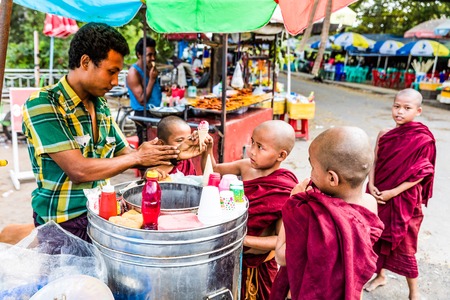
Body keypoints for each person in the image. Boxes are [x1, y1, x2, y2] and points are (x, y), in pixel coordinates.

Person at [22, 23, 201, 242]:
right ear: (85, 62)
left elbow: (124, 154)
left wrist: (173, 153)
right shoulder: (43, 104)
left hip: (101, 214)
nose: (115, 82)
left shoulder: (101, 105)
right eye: (111, 72)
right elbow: (79, 170)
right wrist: (139, 156)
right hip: (61, 224)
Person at [271, 126, 384, 300]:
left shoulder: (309, 211)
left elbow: (281, 256)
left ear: (332, 178)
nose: (311, 174)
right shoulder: (370, 204)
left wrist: (293, 202)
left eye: (313, 168)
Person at [201, 120, 299, 300]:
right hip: (230, 255)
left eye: (260, 147)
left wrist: (242, 238)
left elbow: (281, 240)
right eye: (252, 142)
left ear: (281, 155)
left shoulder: (284, 189)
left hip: (258, 267)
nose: (251, 150)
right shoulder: (245, 166)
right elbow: (212, 173)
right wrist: (207, 149)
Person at [365, 89, 436, 300]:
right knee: (377, 236)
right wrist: (371, 183)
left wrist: (393, 193)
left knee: (405, 244)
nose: (400, 112)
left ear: (418, 111)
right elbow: (374, 160)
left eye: (407, 108)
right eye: (397, 106)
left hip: (404, 199)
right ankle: (380, 276)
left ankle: (414, 292)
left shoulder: (422, 139)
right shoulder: (384, 134)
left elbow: (422, 174)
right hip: (379, 193)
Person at [126, 37, 162, 146]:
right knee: (147, 146)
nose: (153, 58)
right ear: (139, 55)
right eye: (149, 55)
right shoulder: (133, 73)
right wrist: (151, 79)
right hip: (143, 115)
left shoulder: (149, 68)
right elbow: (142, 100)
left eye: (154, 54)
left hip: (155, 112)